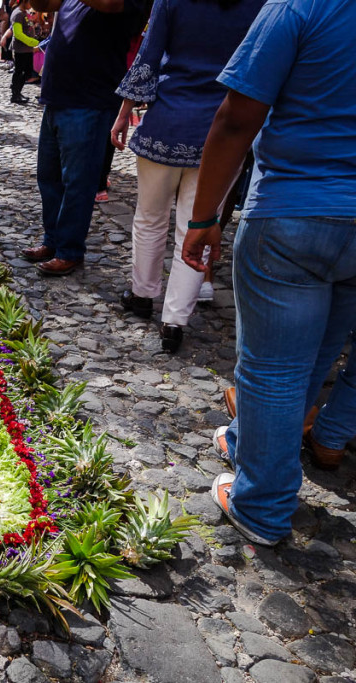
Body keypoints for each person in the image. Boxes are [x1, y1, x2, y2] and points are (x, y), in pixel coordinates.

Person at [182, 0, 356, 546]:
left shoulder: (301, 5)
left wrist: (205, 216)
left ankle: (262, 503)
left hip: (295, 209)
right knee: (319, 349)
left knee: (276, 365)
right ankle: (242, 440)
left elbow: (236, 116)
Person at [110, 0, 263, 352]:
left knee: (149, 218)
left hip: (167, 122)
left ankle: (142, 295)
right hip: (223, 134)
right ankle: (174, 323)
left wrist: (124, 112)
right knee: (197, 227)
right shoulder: (260, 5)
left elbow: (148, 56)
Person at [19, 0, 145, 276]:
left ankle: (69, 250)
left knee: (78, 181)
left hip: (91, 100)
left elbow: (112, 5)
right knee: (48, 177)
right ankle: (52, 241)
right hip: (57, 96)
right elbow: (43, 3)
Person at [4, 0, 35, 103]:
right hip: (20, 49)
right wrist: (33, 42)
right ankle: (15, 94)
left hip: (28, 49)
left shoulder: (25, 12)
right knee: (19, 71)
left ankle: (17, 90)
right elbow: (18, 34)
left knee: (27, 72)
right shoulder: (17, 13)